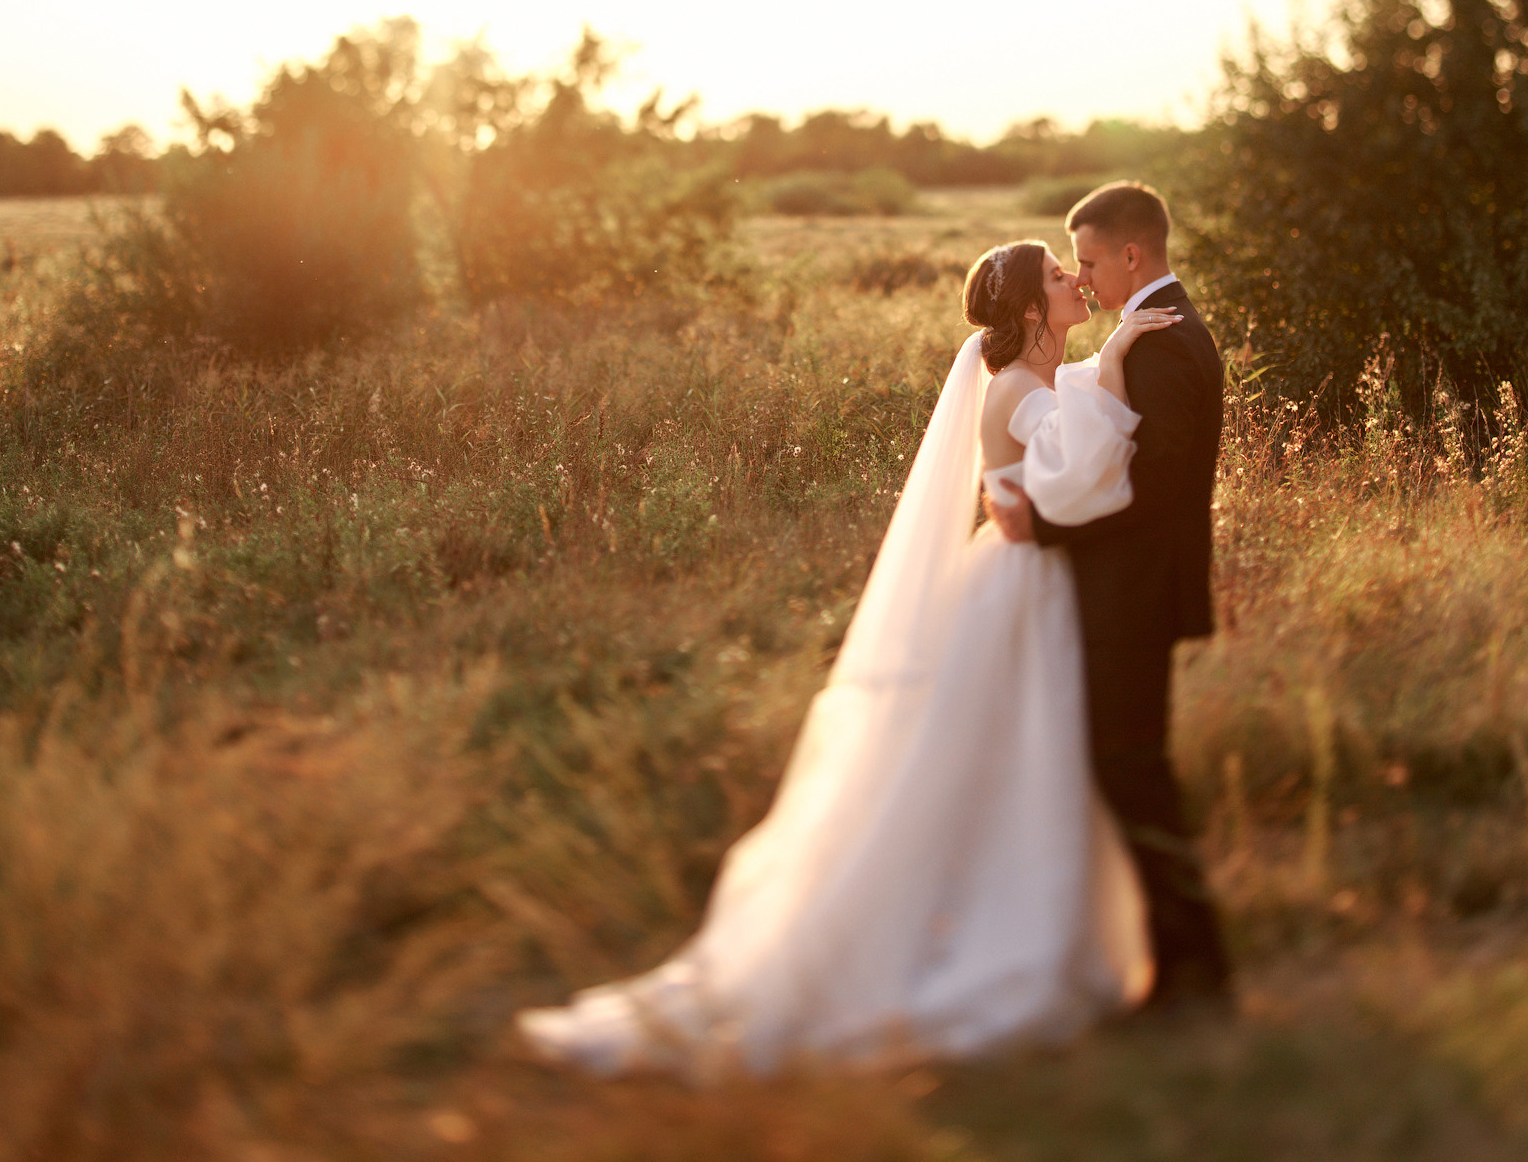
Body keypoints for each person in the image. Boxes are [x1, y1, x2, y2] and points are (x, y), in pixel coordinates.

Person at [515, 239, 1182, 1077]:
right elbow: (1085, 472)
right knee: (1021, 755)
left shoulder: (1034, 380)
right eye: (1057, 275)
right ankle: (991, 935)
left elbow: (1070, 448)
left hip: (1032, 580)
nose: (1075, 280)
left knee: (1036, 756)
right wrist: (1116, 356)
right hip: (1020, 591)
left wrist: (1102, 366)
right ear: (1027, 309)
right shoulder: (1016, 387)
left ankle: (1039, 921)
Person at [985, 182, 1233, 1010]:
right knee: (1125, 769)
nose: (1083, 279)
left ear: (1131, 254)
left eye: (1087, 262)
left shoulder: (1163, 342)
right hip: (1125, 593)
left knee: (1132, 772)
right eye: (1070, 269)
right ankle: (1176, 954)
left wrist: (1045, 531)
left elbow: (1153, 490)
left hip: (1134, 595)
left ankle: (1192, 964)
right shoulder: (1154, 334)